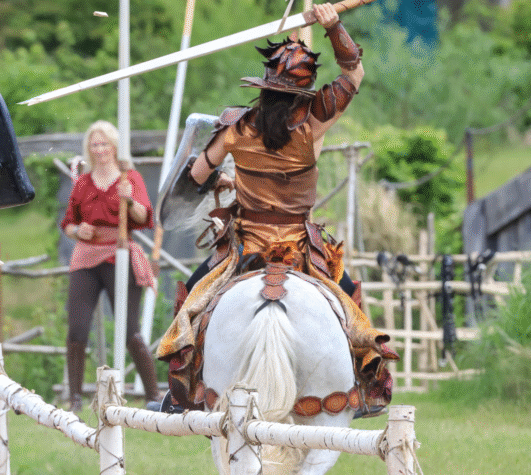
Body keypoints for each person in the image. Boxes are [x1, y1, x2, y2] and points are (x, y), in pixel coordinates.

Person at [157, 4, 396, 417]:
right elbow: (354, 74)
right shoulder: (312, 123)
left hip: (244, 245)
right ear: (302, 95)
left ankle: (185, 391)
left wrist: (225, 180)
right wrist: (333, 25)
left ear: (264, 85)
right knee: (351, 303)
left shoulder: (235, 127)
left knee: (190, 306)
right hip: (301, 246)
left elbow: (196, 176)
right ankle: (369, 385)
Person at [60, 120, 160, 411]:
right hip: (87, 256)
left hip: (120, 253)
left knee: (129, 330)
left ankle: (154, 397)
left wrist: (128, 201)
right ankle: (75, 399)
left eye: (104, 144)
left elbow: (143, 217)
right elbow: (68, 223)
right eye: (95, 144)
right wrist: (78, 232)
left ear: (114, 147)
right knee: (77, 329)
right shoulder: (83, 183)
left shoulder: (130, 178)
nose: (100, 149)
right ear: (89, 150)